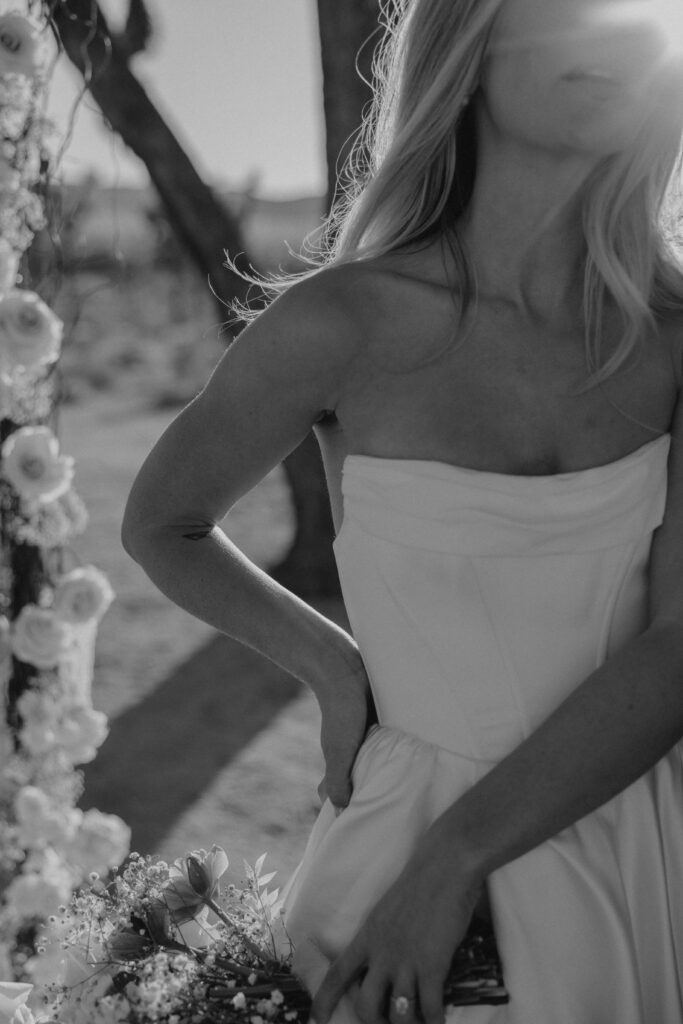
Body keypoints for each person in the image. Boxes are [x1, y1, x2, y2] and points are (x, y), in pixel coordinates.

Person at [121, 0, 683, 1020]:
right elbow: (163, 521)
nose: (607, 43)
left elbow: (676, 645)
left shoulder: (673, 337)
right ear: (466, 51)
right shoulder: (340, 321)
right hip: (391, 829)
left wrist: (454, 860)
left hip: (632, 832)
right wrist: (332, 667)